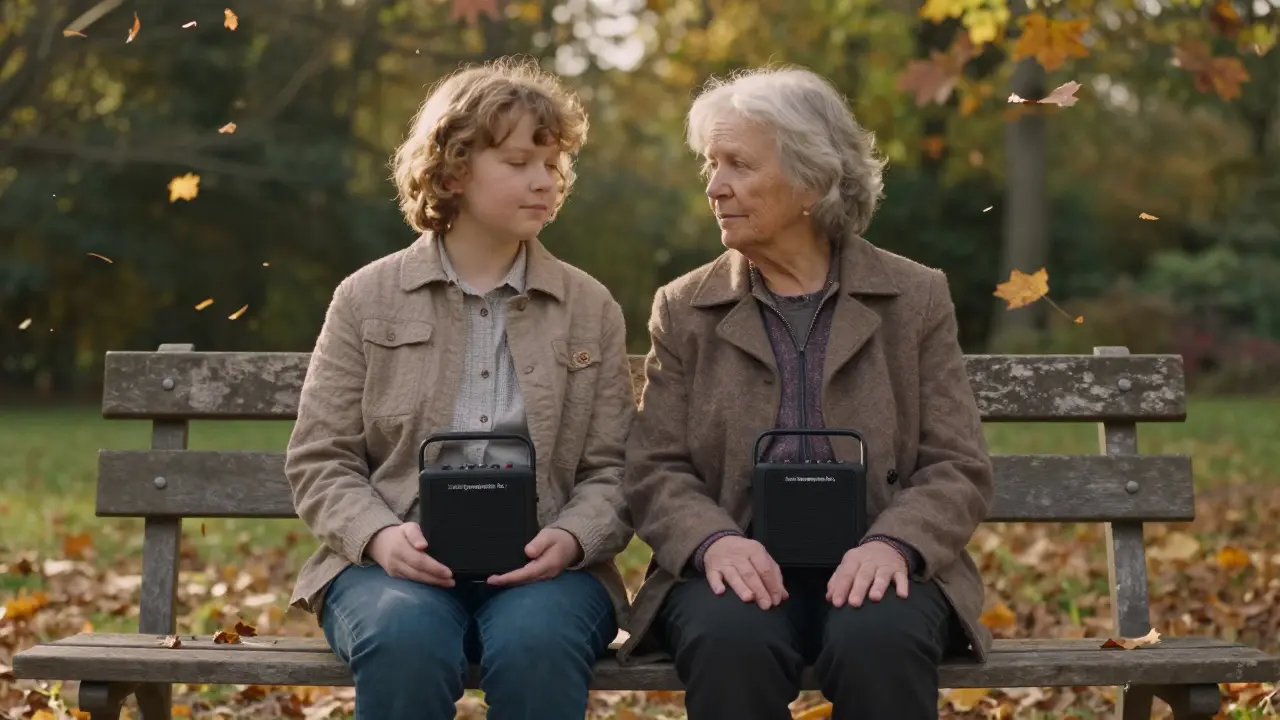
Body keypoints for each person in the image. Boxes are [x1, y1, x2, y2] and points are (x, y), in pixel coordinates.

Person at [616, 64, 996, 720]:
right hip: (736, 560)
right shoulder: (684, 307)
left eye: (738, 164)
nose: (715, 186)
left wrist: (893, 543)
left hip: (879, 557)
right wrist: (714, 543)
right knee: (730, 640)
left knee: (879, 639)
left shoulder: (915, 297)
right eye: (712, 164)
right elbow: (655, 467)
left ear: (812, 179)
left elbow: (956, 463)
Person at [284, 57, 635, 720]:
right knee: (404, 639)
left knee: (537, 645)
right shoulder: (367, 299)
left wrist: (570, 540)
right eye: (519, 162)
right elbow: (320, 458)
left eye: (553, 163)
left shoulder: (590, 307)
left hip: (548, 570)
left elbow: (614, 469)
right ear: (452, 170)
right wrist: (381, 537)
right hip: (391, 567)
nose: (544, 181)